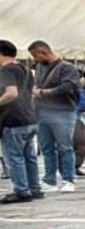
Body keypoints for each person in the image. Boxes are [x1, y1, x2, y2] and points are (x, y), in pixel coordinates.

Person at [28, 41, 79, 193]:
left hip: (62, 112)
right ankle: (49, 179)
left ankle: (68, 179)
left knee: (65, 147)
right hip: (41, 112)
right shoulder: (39, 68)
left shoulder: (67, 68)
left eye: (35, 56)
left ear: (43, 52)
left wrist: (44, 92)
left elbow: (69, 87)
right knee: (46, 148)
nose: (35, 60)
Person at [0, 40, 41, 204]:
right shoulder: (25, 70)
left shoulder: (6, 70)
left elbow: (11, 93)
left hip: (13, 119)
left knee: (15, 157)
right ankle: (34, 188)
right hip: (29, 117)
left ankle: (22, 191)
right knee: (29, 156)